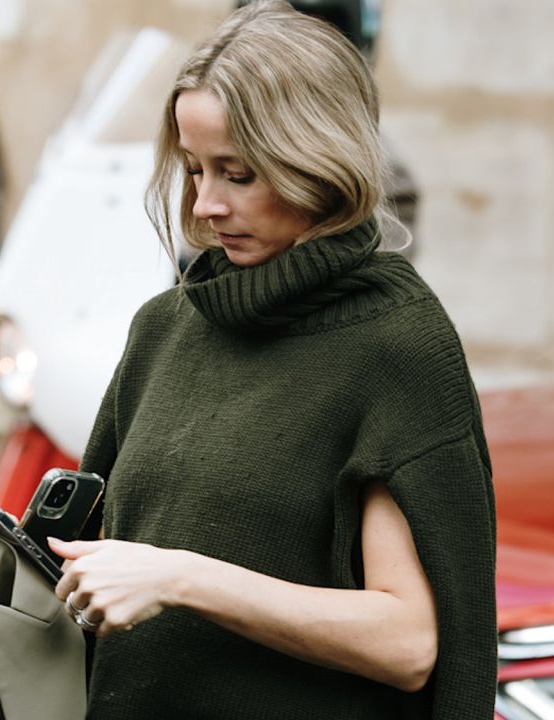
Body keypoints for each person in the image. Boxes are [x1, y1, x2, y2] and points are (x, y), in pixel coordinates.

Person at [49, 2, 497, 717]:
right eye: (195, 170)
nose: (205, 206)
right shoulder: (163, 331)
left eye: (238, 174)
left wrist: (182, 578)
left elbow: (409, 643)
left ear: (318, 160)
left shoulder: (394, 347)